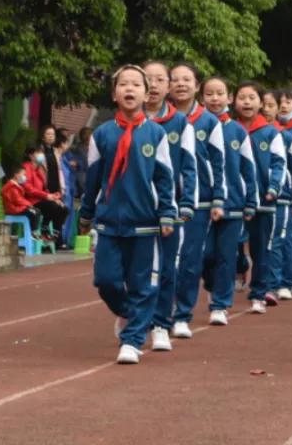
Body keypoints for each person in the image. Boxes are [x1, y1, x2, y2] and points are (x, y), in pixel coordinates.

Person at [79, 65, 176, 365]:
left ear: (147, 94)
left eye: (136, 84)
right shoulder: (103, 135)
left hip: (145, 224)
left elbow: (164, 178)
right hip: (109, 223)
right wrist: (86, 215)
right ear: (115, 93)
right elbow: (92, 179)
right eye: (124, 84)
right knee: (105, 280)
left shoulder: (156, 133)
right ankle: (128, 313)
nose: (130, 89)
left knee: (143, 284)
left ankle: (132, 341)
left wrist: (167, 214)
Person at [143, 61, 198, 352]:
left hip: (169, 208)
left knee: (166, 268)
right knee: (128, 272)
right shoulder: (122, 123)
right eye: (146, 79)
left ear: (167, 87)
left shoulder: (180, 124)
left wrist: (186, 202)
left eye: (159, 79)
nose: (153, 85)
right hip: (133, 208)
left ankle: (161, 324)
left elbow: (190, 166)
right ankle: (133, 312)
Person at [169, 63, 227, 336]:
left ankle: (181, 314)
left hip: (199, 202)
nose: (181, 84)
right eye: (175, 79)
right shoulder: (160, 120)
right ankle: (158, 310)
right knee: (165, 260)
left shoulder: (209, 122)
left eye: (187, 79)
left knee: (191, 259)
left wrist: (218, 199)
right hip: (164, 201)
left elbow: (219, 163)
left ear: (196, 86)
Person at [199, 76, 256, 326]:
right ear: (202, 98)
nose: (214, 98)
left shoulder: (236, 131)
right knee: (206, 254)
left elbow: (248, 168)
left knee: (226, 255)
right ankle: (211, 284)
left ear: (228, 98)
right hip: (202, 203)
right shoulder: (195, 127)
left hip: (232, 203)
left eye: (219, 93)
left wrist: (250, 200)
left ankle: (220, 304)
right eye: (209, 94)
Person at [233, 82, 286, 314]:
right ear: (234, 101)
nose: (246, 102)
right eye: (242, 97)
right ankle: (240, 267)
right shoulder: (228, 130)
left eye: (251, 97)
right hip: (234, 199)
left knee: (260, 248)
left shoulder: (270, 132)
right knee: (231, 245)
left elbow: (279, 163)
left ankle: (259, 292)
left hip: (264, 200)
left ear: (260, 102)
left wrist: (273, 188)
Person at [262, 90, 292, 304]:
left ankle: (276, 284)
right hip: (256, 198)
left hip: (282, 198)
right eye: (265, 104)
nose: (267, 109)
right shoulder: (248, 133)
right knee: (258, 242)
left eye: (271, 105)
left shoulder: (286, 137)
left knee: (277, 241)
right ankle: (259, 282)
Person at [21, 144, 67, 238]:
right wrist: (46, 196)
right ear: (31, 156)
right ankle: (44, 229)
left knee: (63, 209)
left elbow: (43, 188)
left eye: (41, 152)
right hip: (30, 201)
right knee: (54, 207)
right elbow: (28, 188)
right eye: (38, 152)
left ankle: (54, 234)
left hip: (40, 199)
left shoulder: (40, 169)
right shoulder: (26, 168)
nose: (41, 155)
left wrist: (53, 197)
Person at [1, 166, 39, 231]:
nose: (25, 177)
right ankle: (32, 232)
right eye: (23, 174)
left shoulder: (16, 185)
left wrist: (27, 205)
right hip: (13, 209)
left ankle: (32, 232)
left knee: (36, 211)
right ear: (16, 175)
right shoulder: (11, 187)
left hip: (17, 207)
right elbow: (17, 200)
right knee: (34, 212)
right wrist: (28, 204)